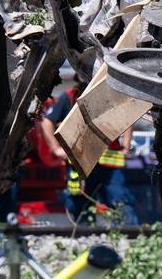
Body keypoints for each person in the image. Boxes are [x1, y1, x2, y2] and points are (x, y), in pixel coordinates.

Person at [38, 86, 138, 225]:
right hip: (81, 165)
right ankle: (84, 235)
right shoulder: (69, 97)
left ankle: (128, 237)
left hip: (109, 166)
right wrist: (56, 149)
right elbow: (47, 121)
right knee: (79, 205)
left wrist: (126, 144)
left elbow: (127, 114)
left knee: (120, 202)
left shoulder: (110, 94)